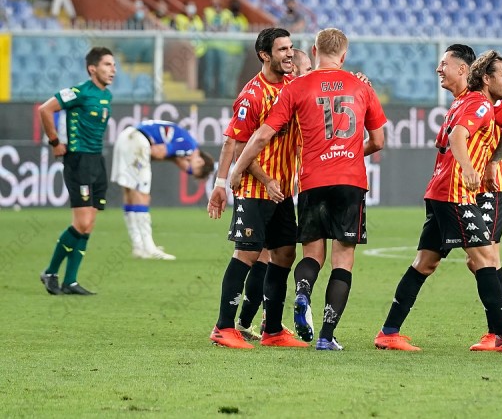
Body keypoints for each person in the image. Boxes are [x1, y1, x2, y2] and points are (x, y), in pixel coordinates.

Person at [373, 45, 502, 352]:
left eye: (444, 64)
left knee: (425, 263)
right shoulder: (479, 104)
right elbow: (456, 136)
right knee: (485, 258)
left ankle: (388, 332)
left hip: (441, 191)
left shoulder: (464, 101)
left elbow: (468, 134)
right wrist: (470, 169)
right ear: (486, 78)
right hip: (455, 193)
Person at [230, 28, 386, 351]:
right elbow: (379, 141)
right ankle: (326, 337)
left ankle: (302, 292)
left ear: (314, 50)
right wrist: (349, 153)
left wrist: (238, 167)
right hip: (351, 181)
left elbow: (262, 135)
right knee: (342, 260)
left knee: (312, 255)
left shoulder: (298, 87)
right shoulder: (362, 86)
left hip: (313, 181)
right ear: (344, 55)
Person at [207, 27, 308, 349]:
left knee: (285, 253)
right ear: (265, 55)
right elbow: (238, 148)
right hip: (255, 188)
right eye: (282, 49)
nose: (289, 54)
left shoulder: (292, 86)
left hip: (283, 190)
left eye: (291, 48)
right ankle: (223, 327)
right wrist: (262, 179)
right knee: (247, 253)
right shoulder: (252, 96)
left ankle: (273, 330)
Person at [39, 47, 115, 295]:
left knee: (88, 224)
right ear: (93, 68)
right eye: (107, 65)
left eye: (114, 65)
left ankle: (70, 281)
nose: (113, 70)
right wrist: (55, 142)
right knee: (81, 222)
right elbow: (45, 109)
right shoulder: (78, 92)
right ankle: (50, 272)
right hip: (78, 160)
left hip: (97, 161)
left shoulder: (107, 95)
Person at [464, 54, 502, 351]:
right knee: (479, 260)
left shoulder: (491, 103)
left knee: (486, 259)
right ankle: (501, 330)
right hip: (473, 187)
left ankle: (499, 332)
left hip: (491, 187)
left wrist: (493, 161)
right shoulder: (474, 101)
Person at [111, 120, 214, 260]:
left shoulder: (184, 140)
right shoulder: (189, 146)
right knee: (143, 196)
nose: (187, 170)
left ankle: (138, 246)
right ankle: (149, 248)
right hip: (138, 142)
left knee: (130, 193)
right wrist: (171, 157)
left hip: (126, 137)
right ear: (199, 161)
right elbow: (157, 151)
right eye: (191, 170)